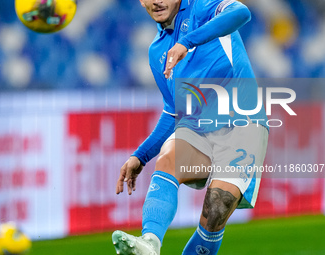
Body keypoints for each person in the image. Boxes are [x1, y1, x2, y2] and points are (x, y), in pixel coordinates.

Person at [112, 0, 269, 254]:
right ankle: (149, 243)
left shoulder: (202, 6)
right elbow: (173, 112)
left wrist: (188, 41)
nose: (157, 1)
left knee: (217, 206)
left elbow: (241, 12)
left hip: (242, 122)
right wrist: (139, 156)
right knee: (168, 158)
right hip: (196, 127)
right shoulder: (156, 52)